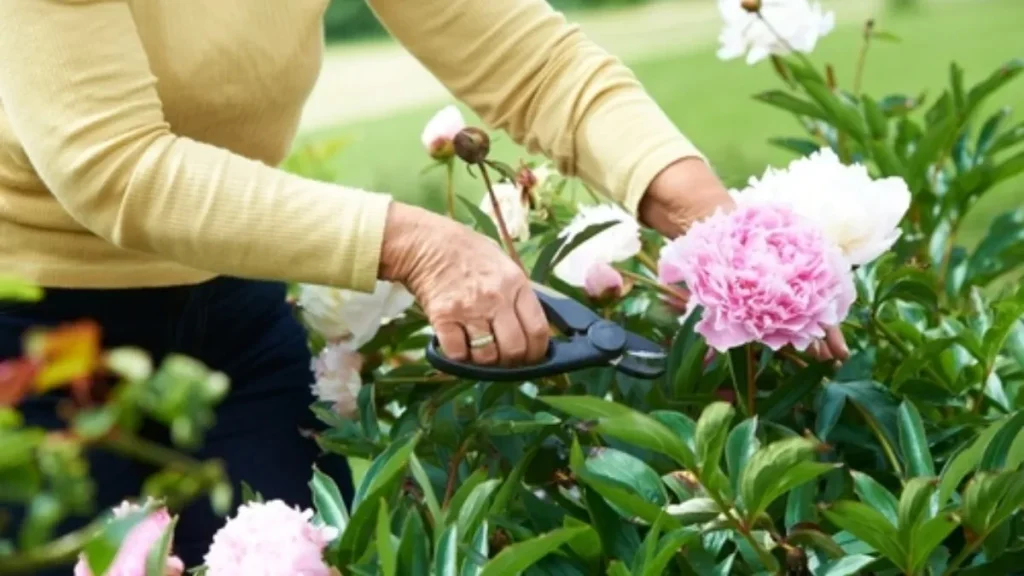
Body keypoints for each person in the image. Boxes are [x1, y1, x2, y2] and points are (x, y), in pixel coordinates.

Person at [0, 0, 848, 570]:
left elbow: (532, 62)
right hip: (31, 342)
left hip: (231, 311)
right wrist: (413, 243)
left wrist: (723, 232)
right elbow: (113, 166)